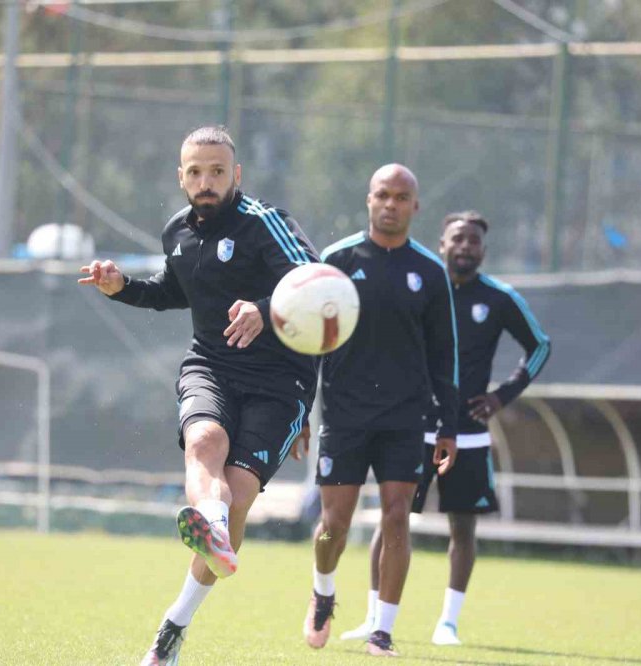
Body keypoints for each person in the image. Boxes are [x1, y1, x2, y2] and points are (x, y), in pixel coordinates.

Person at [79, 126, 319, 666]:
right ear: (180, 177)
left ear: (236, 174)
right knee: (204, 439)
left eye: (216, 171)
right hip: (210, 364)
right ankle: (207, 516)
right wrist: (122, 288)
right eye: (195, 172)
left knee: (237, 498)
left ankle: (175, 621)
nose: (205, 181)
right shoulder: (177, 232)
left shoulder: (265, 222)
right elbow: (170, 290)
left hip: (281, 381)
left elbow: (314, 283)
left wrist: (264, 307)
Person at [339, 210, 551, 646]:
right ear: (441, 244)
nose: (465, 247)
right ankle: (374, 616)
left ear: (483, 250)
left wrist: (501, 396)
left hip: (468, 433)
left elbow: (540, 347)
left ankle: (448, 623)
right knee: (392, 519)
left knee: (463, 528)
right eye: (458, 239)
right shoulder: (422, 286)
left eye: (473, 241)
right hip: (413, 425)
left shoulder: (498, 298)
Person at [303, 164, 459, 658]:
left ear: (416, 206)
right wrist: (300, 414)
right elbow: (308, 343)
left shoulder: (430, 272)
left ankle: (382, 632)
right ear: (368, 200)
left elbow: (443, 353)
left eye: (401, 197)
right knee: (334, 526)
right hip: (345, 415)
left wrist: (448, 425)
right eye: (382, 195)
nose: (390, 204)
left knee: (396, 519)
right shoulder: (338, 260)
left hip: (404, 419)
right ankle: (323, 594)